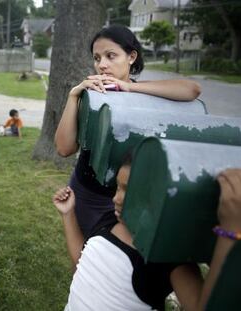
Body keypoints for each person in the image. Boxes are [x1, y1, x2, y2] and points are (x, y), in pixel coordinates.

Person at [55, 24, 201, 237]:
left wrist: (129, 88)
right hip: (87, 192)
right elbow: (64, 148)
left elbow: (192, 89)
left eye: (110, 56)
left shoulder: (144, 93)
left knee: (123, 260)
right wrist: (73, 95)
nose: (102, 65)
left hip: (130, 198)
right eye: (97, 58)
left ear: (131, 57)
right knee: (82, 258)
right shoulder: (91, 97)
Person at [53, 157, 241, 310]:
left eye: (128, 190)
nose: (115, 198)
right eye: (118, 187)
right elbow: (83, 261)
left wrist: (231, 231)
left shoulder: (166, 253)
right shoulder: (110, 219)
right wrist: (68, 214)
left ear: (156, 196)